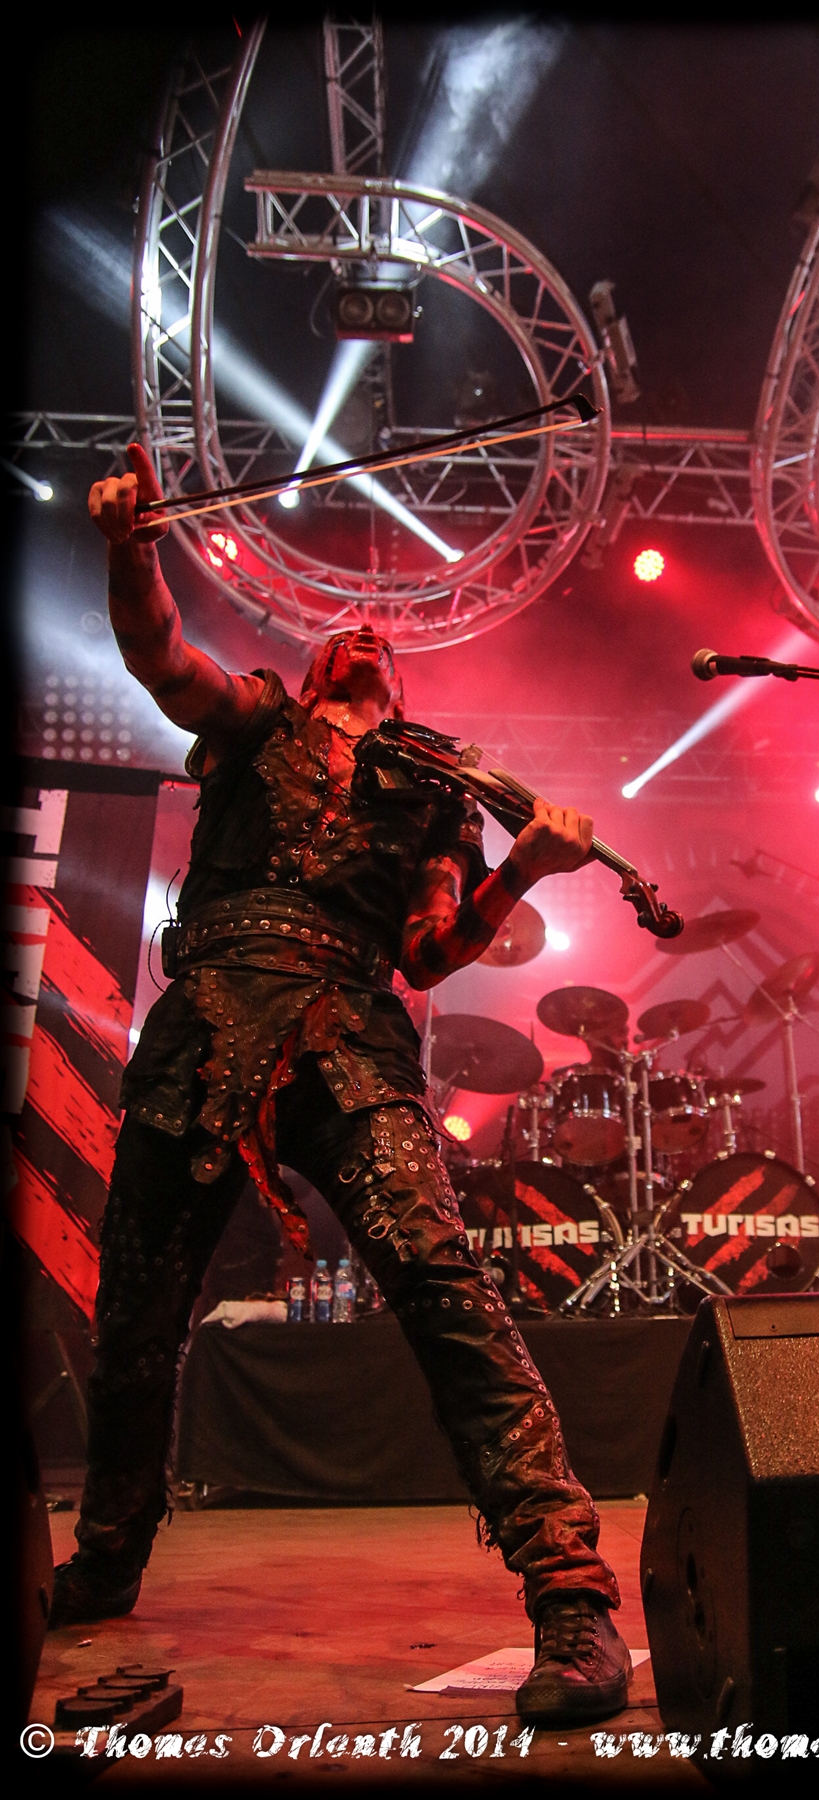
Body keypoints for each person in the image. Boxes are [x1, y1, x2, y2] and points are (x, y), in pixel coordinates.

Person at [49, 445, 632, 1726]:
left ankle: (570, 1590)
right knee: (137, 1316)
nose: (364, 630)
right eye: (342, 630)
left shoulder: (435, 788)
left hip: (351, 1039)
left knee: (441, 1283)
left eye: (384, 636)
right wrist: (132, 548)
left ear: (399, 682)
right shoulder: (255, 720)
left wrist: (522, 869)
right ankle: (105, 1558)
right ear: (314, 668)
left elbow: (430, 951)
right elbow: (162, 656)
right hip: (204, 1025)